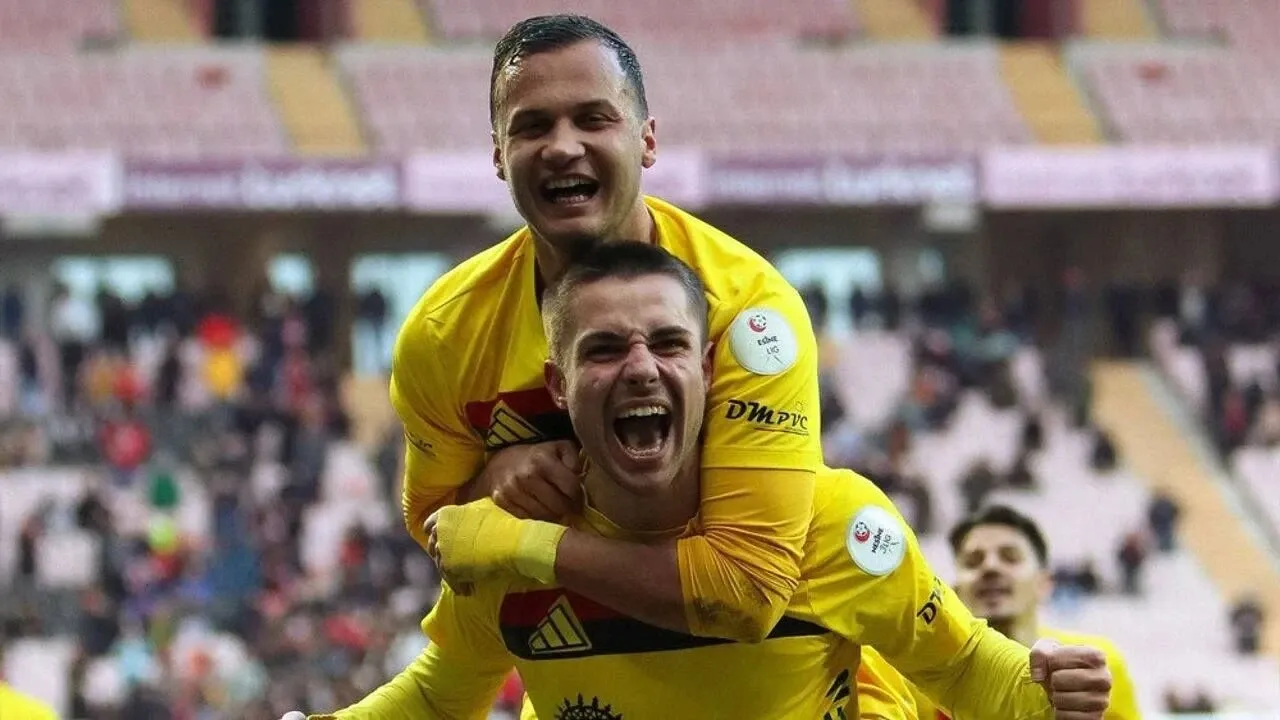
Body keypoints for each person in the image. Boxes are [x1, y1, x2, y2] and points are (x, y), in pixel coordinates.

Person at [316, 243, 1113, 719]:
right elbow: (439, 697)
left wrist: (1047, 690)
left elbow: (965, 667)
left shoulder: (831, 519)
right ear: (558, 385)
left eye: (667, 344)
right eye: (603, 350)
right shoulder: (510, 529)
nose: (640, 368)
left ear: (707, 368)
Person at [391, 13, 824, 648]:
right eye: (532, 126)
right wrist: (495, 481)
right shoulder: (443, 333)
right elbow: (443, 532)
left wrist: (528, 535)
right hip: (576, 678)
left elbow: (746, 592)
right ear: (498, 156)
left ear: (647, 140)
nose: (562, 147)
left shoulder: (749, 312)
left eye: (593, 119)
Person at [909, 504, 1140, 720]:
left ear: (1044, 583)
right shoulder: (920, 683)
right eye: (973, 561)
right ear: (954, 590)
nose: (990, 567)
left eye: (1010, 557)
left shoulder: (1095, 666)